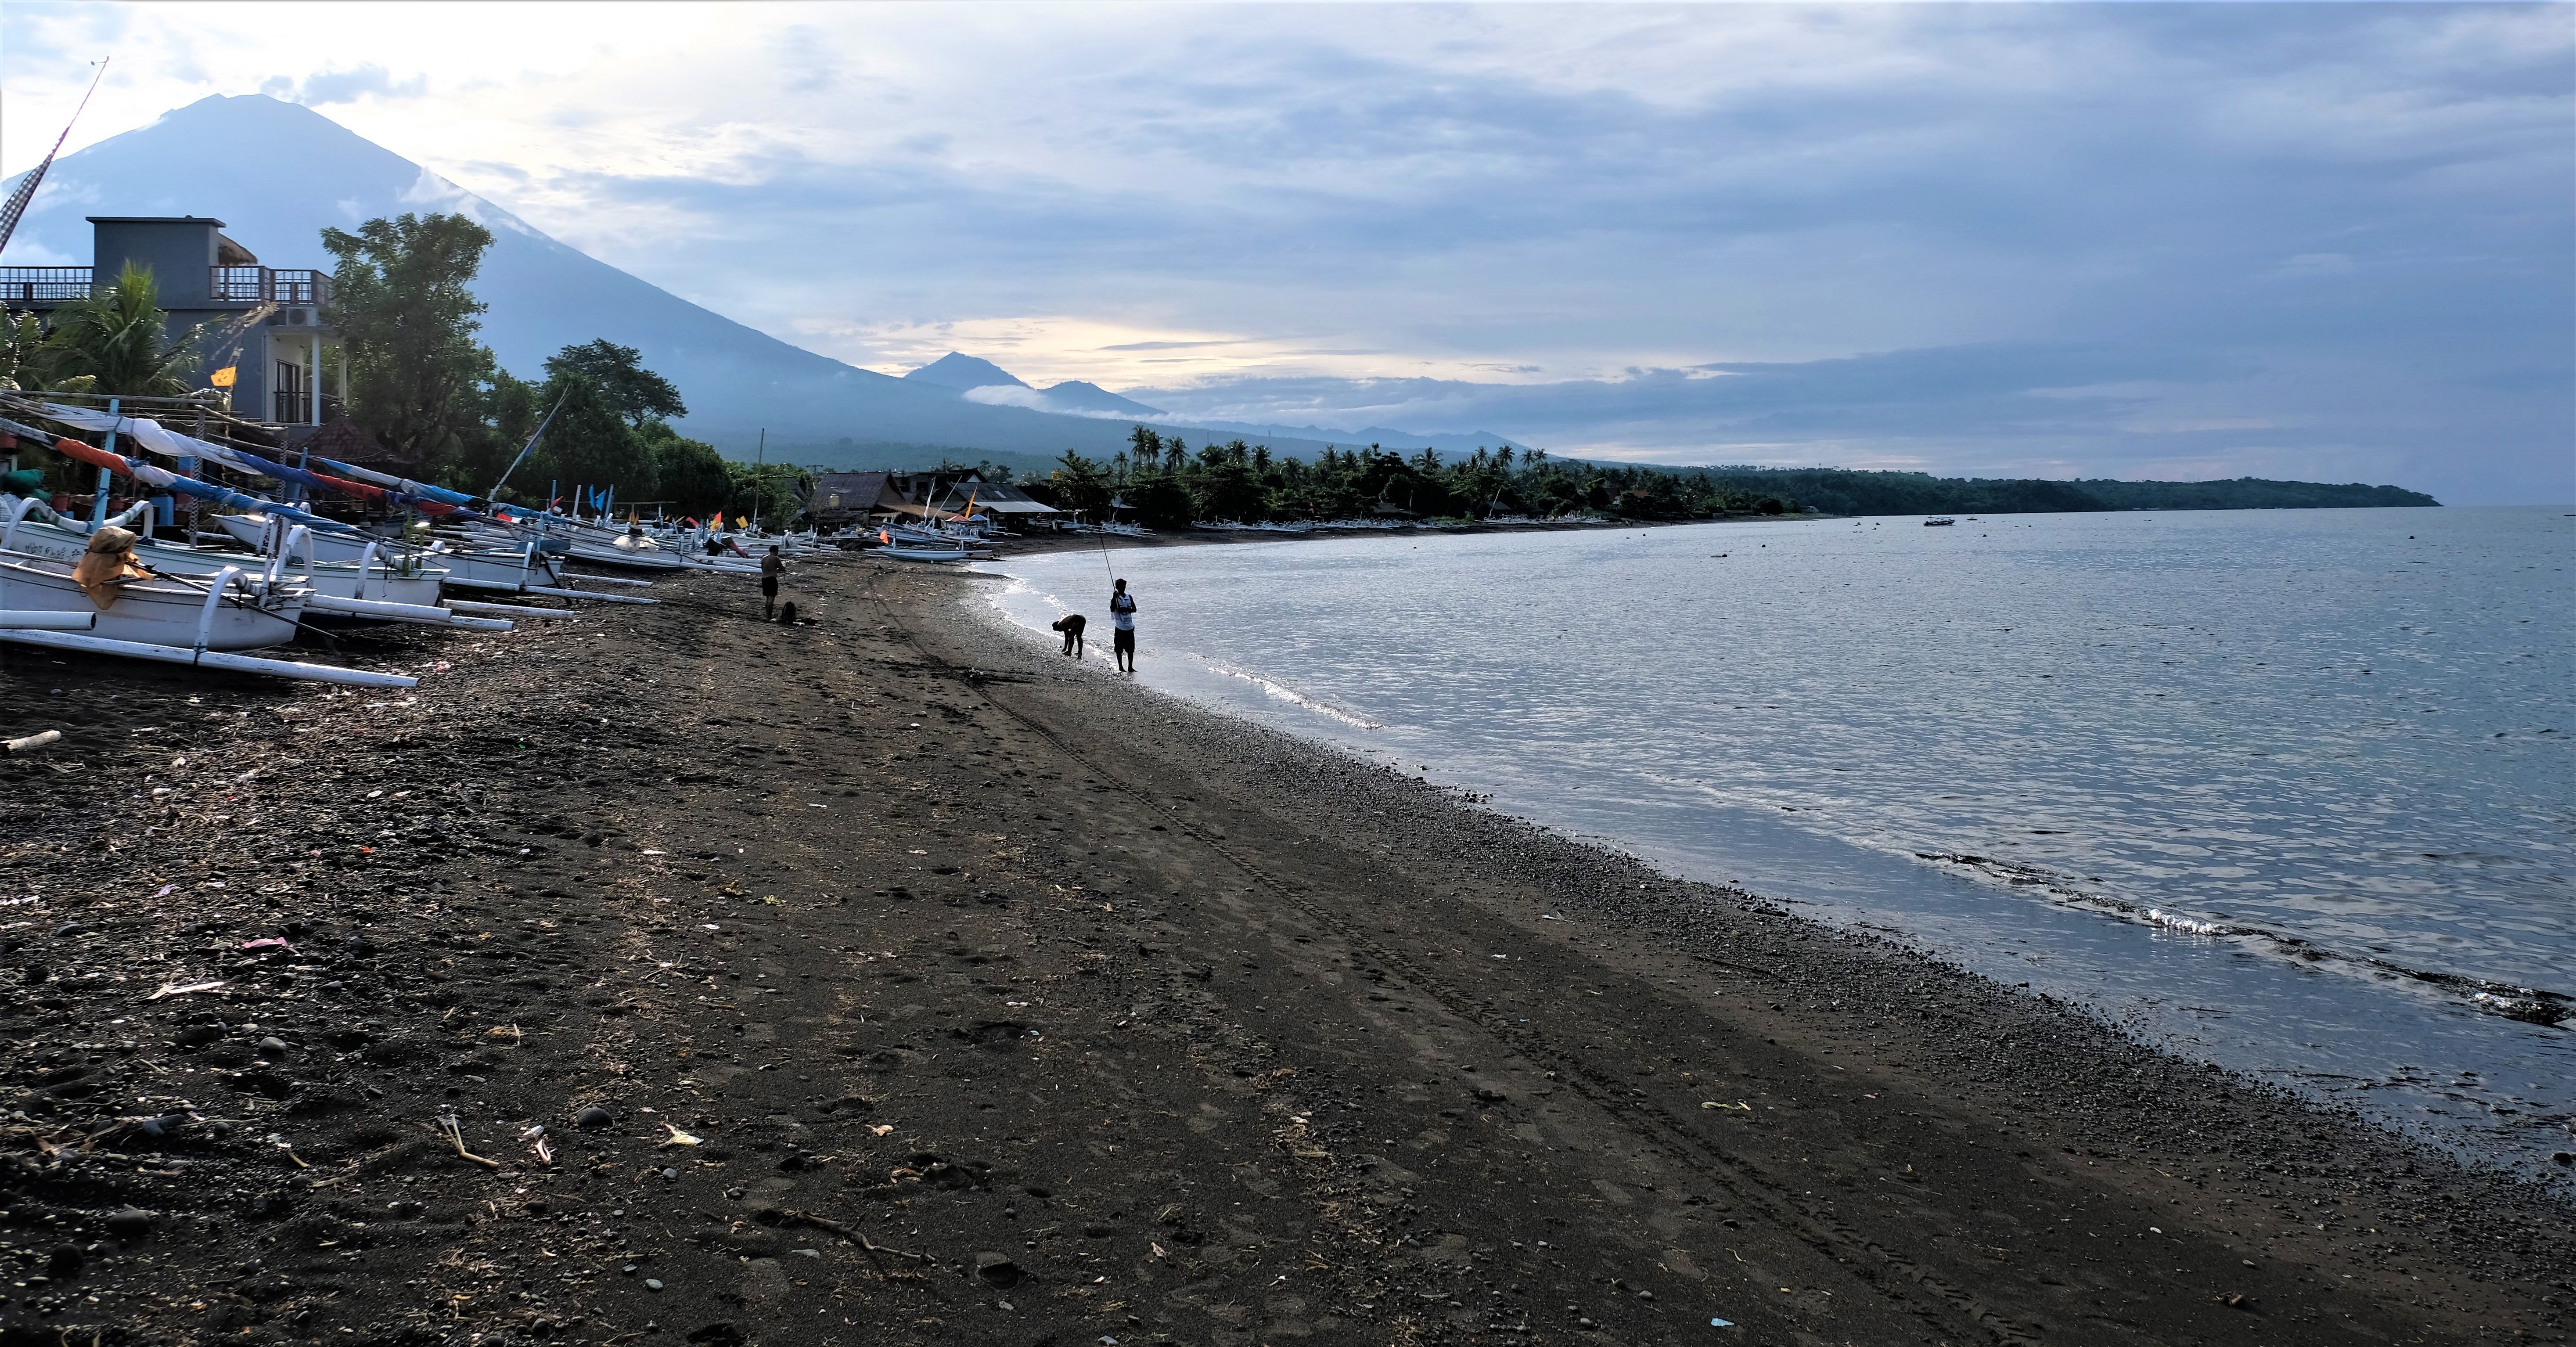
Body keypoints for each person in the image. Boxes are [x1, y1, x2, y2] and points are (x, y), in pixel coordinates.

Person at [1108, 578, 1138, 673]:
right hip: (1120, 628)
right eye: (1120, 586)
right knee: (1119, 649)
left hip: (1129, 627)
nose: (1123, 588)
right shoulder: (1115, 599)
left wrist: (1126, 609)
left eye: (1124, 586)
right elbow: (1112, 609)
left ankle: (1130, 667)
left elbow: (1135, 609)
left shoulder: (1129, 597)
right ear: (1117, 587)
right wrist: (1114, 597)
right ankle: (1121, 667)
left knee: (1131, 649)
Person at [760, 544, 786, 620]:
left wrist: (775, 570)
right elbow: (783, 569)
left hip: (764, 579)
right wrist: (784, 566)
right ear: (776, 551)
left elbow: (764, 570)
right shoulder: (775, 558)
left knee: (768, 598)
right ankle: (770, 617)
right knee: (772, 598)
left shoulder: (764, 559)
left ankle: (767, 615)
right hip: (772, 578)